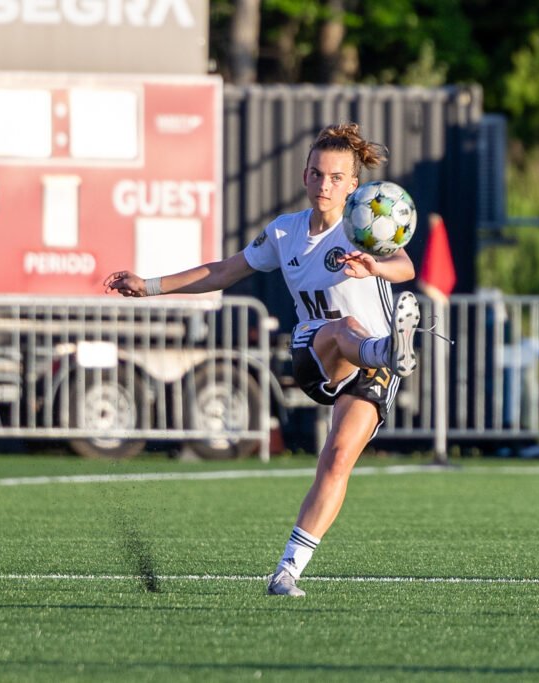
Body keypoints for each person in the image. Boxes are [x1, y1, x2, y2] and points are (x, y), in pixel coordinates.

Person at [104, 122, 421, 597]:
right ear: (304, 175)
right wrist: (150, 285)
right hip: (318, 354)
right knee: (339, 329)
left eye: (336, 178)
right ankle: (387, 350)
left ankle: (286, 571)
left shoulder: (363, 227)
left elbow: (406, 267)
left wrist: (377, 266)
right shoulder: (285, 232)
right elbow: (224, 270)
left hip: (371, 369)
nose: (324, 185)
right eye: (317, 174)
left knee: (335, 462)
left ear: (354, 186)